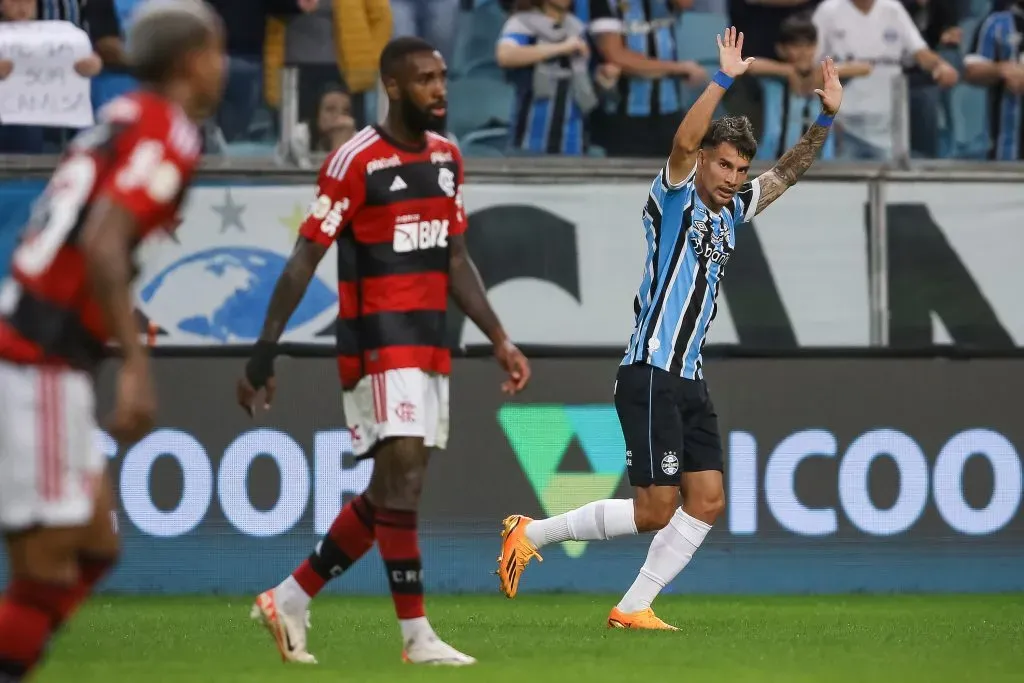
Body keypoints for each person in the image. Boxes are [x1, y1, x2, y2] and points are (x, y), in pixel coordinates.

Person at [497, 27, 842, 629]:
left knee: (706, 501)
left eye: (740, 169)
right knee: (655, 509)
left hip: (690, 380)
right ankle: (532, 532)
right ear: (704, 160)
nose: (734, 178)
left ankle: (633, 608)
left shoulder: (733, 210)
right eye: (725, 164)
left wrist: (825, 120)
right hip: (650, 371)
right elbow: (683, 140)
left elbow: (787, 173)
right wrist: (722, 80)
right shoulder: (675, 196)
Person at [240, 36, 531, 666]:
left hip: (428, 346)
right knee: (400, 482)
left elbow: (455, 258)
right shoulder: (356, 161)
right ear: (393, 87)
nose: (440, 89)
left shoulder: (450, 158)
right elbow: (303, 258)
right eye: (424, 79)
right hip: (377, 344)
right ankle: (416, 636)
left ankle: (291, 596)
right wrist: (265, 350)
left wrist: (499, 337)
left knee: (399, 487)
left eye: (443, 77)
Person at [0, 1, 225, 679]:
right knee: (49, 556)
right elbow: (103, 240)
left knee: (97, 545)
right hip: (34, 360)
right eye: (217, 53)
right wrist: (135, 364)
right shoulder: (170, 132)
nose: (223, 68)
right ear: (192, 61)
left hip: (45, 356)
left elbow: (97, 242)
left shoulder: (120, 117)